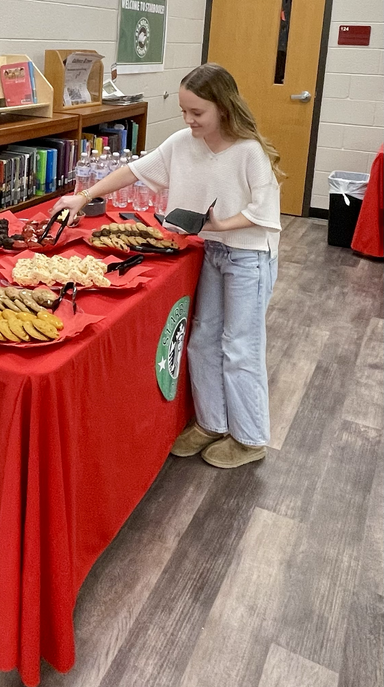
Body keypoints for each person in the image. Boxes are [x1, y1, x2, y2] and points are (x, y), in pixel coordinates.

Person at [52, 63, 282, 469]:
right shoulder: (182, 142)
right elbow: (133, 171)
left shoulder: (249, 152)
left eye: (197, 113)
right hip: (214, 251)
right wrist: (83, 196)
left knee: (240, 346)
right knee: (202, 339)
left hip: (248, 255)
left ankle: (249, 438)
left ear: (224, 109)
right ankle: (211, 423)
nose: (189, 121)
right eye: (184, 112)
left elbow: (263, 213)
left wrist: (218, 225)